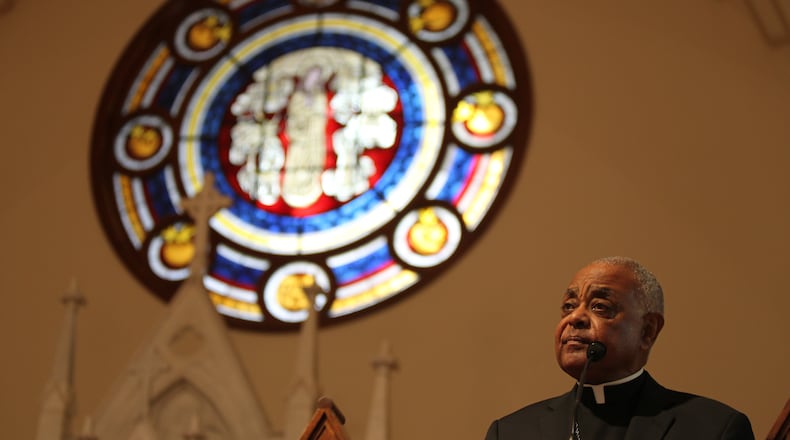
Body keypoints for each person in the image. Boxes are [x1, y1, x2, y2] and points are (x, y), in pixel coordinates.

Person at [484, 256, 754, 439]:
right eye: (568, 306)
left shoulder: (712, 429)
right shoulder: (511, 432)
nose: (574, 318)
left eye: (600, 306)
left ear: (647, 331)